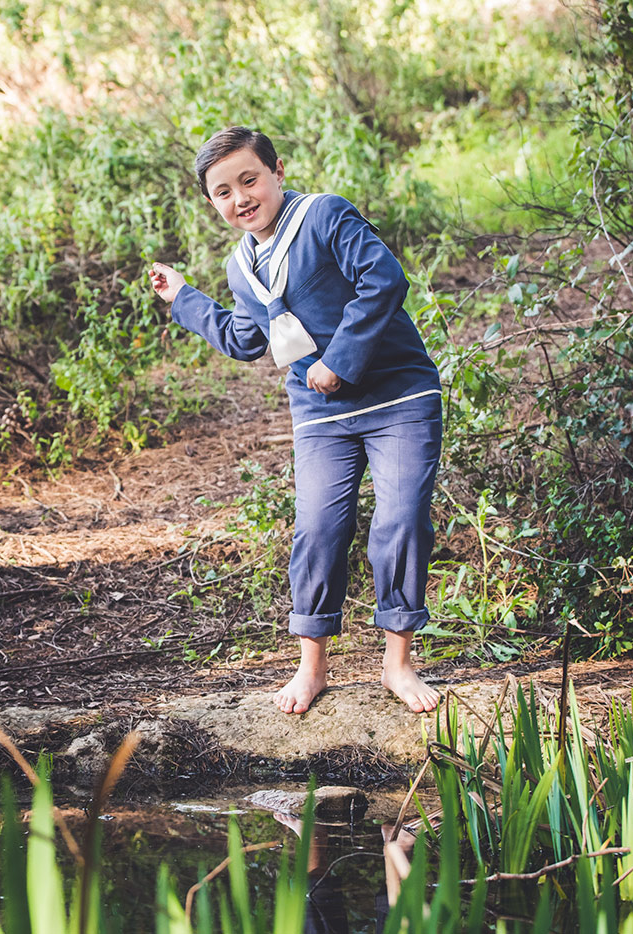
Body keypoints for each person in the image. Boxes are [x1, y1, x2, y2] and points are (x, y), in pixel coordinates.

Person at [149, 126, 442, 715]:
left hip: (397, 396)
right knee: (317, 528)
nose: (241, 199)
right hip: (320, 414)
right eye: (224, 192)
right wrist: (183, 296)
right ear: (214, 204)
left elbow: (382, 281)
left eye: (249, 180)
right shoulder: (241, 266)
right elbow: (243, 338)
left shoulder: (325, 215)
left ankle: (398, 663)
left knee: (401, 518)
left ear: (277, 170)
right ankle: (311, 668)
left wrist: (339, 361)